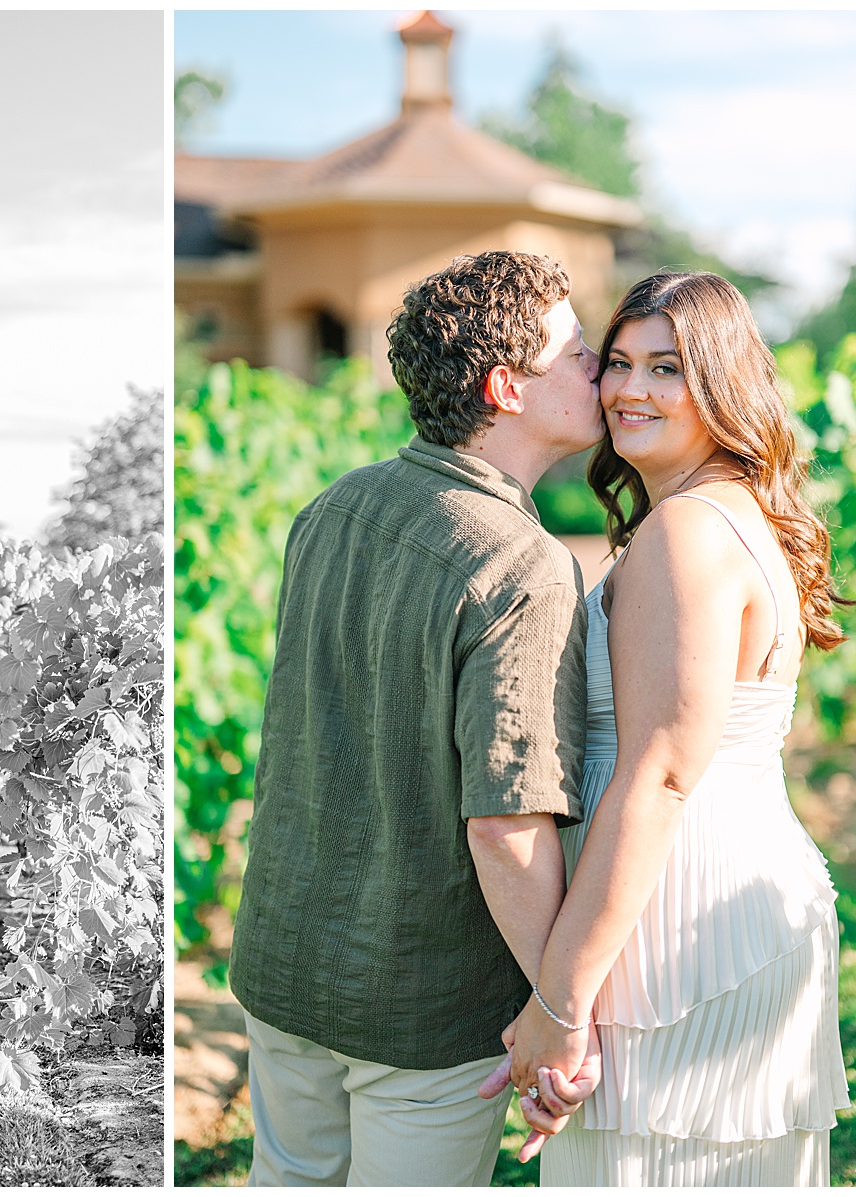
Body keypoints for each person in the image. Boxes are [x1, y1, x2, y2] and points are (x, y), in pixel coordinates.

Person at [227, 251, 606, 1186]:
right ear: (506, 386)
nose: (600, 370)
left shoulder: (332, 506)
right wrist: (560, 1011)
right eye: (580, 352)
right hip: (418, 997)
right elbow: (505, 822)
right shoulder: (521, 563)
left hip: (282, 958)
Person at [506, 272, 851, 1184]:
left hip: (678, 920)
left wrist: (560, 997)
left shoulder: (685, 533)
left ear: (722, 385)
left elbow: (659, 774)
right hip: (719, 897)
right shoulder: (729, 516)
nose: (629, 389)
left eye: (667, 367)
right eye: (617, 362)